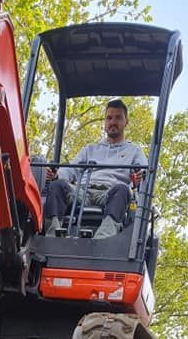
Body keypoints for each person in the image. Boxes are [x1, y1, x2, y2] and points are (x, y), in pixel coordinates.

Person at [42, 98, 147, 239]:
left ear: (126, 122)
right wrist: (56, 176)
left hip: (110, 193)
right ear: (105, 123)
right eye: (109, 118)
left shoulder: (134, 150)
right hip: (82, 191)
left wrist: (140, 176)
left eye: (118, 118)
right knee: (57, 185)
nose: (113, 122)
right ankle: (53, 236)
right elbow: (71, 169)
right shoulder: (90, 149)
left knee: (123, 190)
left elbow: (143, 172)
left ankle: (103, 238)